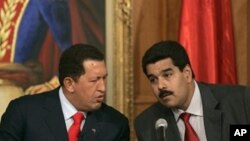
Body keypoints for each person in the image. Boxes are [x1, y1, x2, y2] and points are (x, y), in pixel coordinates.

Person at [0, 44, 130, 141]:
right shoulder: (23, 112)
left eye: (104, 78)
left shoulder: (116, 125)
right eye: (94, 80)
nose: (102, 87)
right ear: (69, 84)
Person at [134, 40, 250, 141]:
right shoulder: (147, 124)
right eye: (153, 79)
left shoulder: (239, 102)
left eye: (167, 75)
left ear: (187, 74)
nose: (160, 86)